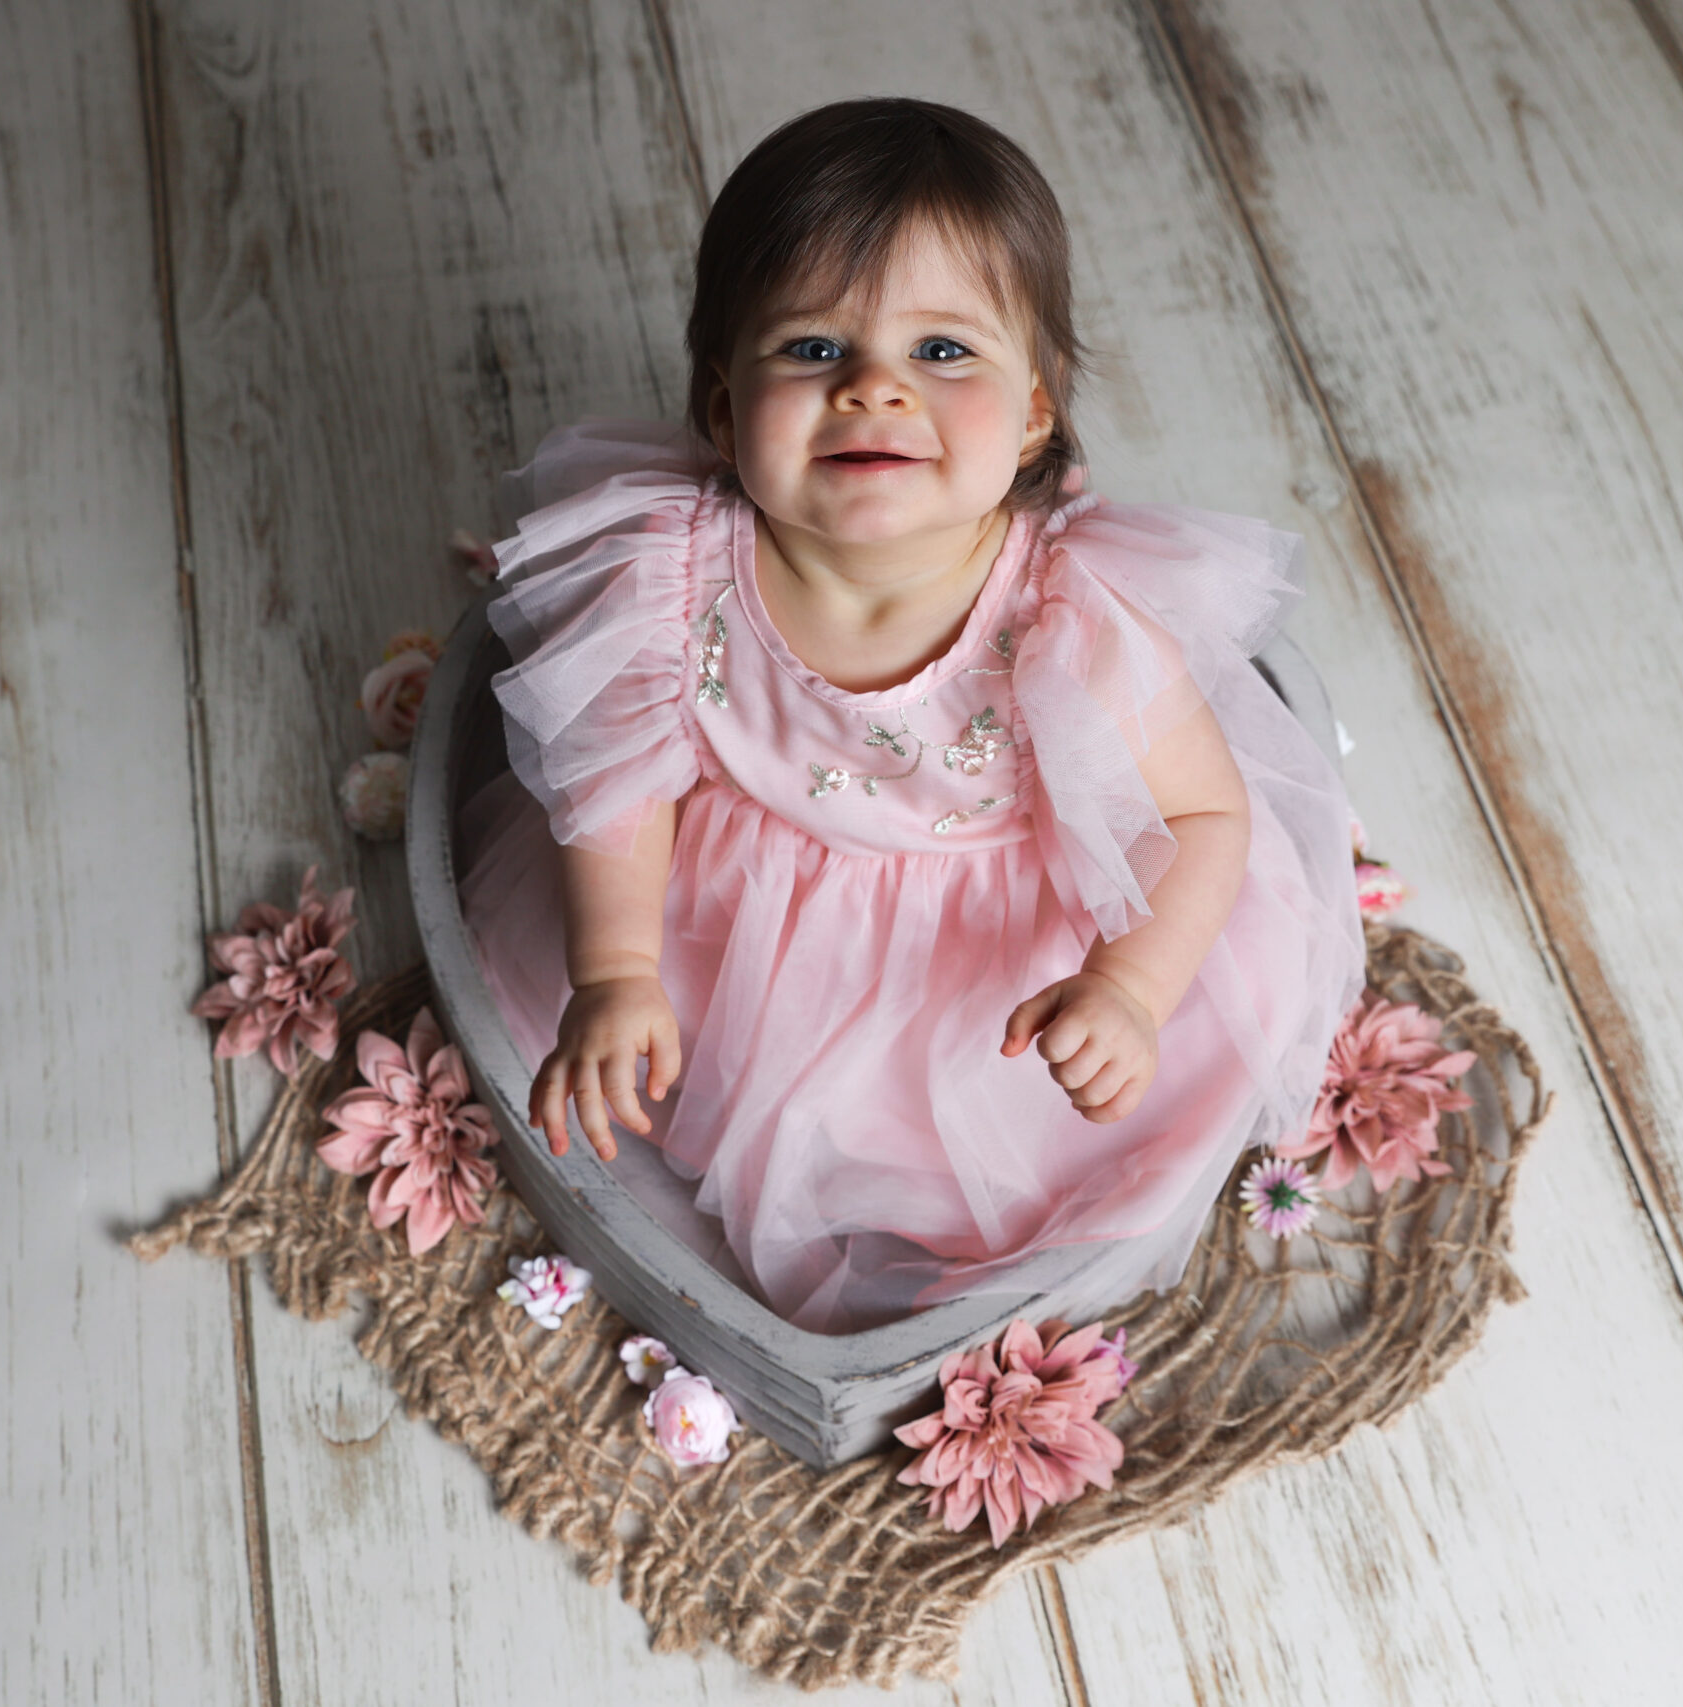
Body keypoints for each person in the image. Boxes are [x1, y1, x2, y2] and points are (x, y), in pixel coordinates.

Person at [456, 98, 1363, 1334]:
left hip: (998, 962)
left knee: (1054, 1141)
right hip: (733, 930)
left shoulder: (1065, 617)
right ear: (724, 413)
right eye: (814, 351)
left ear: (1033, 413)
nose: (875, 390)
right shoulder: (668, 579)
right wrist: (615, 968)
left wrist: (1133, 989)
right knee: (620, 1058)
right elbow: (615, 784)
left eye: (943, 352)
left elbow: (1206, 816)